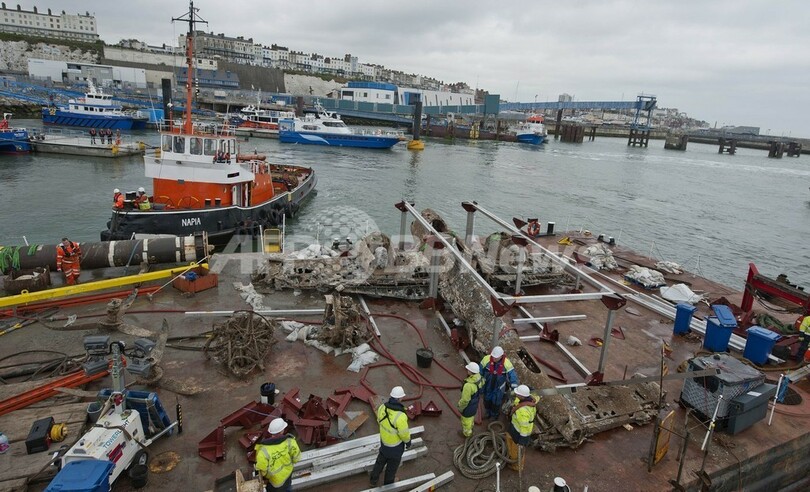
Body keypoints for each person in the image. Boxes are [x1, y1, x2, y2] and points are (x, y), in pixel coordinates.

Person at [370, 386, 412, 487]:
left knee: (380, 462)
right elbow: (404, 434)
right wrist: (408, 442)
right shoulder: (401, 416)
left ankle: (373, 480)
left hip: (384, 443)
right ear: (400, 398)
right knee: (391, 468)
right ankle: (388, 485)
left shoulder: (382, 407)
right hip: (395, 447)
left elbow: (379, 421)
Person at [254, 418, 301, 492]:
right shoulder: (290, 442)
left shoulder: (263, 451)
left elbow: (262, 470)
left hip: (274, 481)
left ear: (270, 432)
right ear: (282, 430)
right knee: (287, 488)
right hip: (287, 474)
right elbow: (296, 458)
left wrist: (266, 476)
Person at [506, 384, 539, 471]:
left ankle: (517, 466)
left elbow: (524, 427)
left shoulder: (523, 411)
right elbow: (537, 396)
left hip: (519, 433)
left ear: (522, 396)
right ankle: (510, 457)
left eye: (518, 394)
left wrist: (522, 440)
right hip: (514, 427)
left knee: (516, 450)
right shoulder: (531, 399)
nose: (516, 394)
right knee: (508, 439)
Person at [480, 346, 519, 419]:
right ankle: (487, 412)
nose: (494, 358)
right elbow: (480, 370)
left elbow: (512, 375)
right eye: (493, 356)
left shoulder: (507, 363)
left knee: (496, 401)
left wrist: (514, 387)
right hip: (488, 384)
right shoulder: (486, 359)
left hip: (499, 387)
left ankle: (494, 415)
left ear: (501, 356)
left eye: (496, 357)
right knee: (487, 398)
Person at [457, 362, 484, 438]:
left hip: (468, 406)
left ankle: (467, 434)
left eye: (468, 369)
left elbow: (465, 400)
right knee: (471, 417)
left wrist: (460, 407)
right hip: (475, 403)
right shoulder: (479, 378)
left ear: (470, 371)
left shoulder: (468, 386)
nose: (467, 370)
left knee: (466, 421)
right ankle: (471, 427)